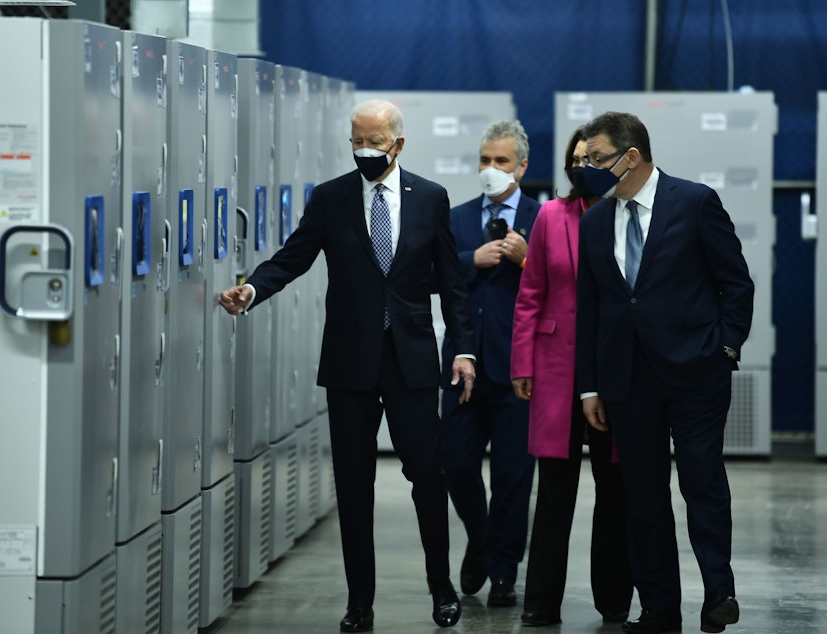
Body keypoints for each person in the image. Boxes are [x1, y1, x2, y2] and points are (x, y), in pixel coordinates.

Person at [219, 98, 476, 632]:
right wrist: (252, 288)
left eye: (374, 143)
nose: (364, 151)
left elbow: (452, 284)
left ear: (398, 144)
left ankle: (441, 586)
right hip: (349, 362)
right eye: (356, 142)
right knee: (353, 484)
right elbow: (294, 257)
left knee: (428, 475)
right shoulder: (332, 198)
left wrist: (464, 351)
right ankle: (360, 603)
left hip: (410, 360)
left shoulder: (430, 198)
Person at [575, 111, 753, 634]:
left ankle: (719, 591)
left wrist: (726, 347)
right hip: (628, 382)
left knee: (702, 482)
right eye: (586, 160)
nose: (588, 169)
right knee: (643, 496)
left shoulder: (694, 202)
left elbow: (735, 282)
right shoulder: (594, 221)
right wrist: (590, 386)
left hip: (697, 372)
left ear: (631, 157)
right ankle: (659, 608)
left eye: (597, 159)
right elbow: (592, 309)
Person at [510, 126, 633, 627]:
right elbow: (530, 291)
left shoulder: (625, 216)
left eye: (593, 158)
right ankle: (541, 600)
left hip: (613, 366)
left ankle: (615, 600)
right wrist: (521, 362)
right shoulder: (550, 216)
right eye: (576, 159)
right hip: (556, 367)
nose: (584, 166)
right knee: (556, 491)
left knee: (614, 488)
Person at [439, 120, 539, 608]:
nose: (491, 169)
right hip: (462, 365)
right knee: (455, 464)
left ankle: (503, 569)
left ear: (522, 166)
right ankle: (480, 540)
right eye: (484, 160)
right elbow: (426, 275)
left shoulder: (544, 221)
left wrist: (527, 259)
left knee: (513, 477)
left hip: (520, 369)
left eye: (501, 161)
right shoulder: (454, 218)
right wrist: (468, 260)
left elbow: (570, 287)